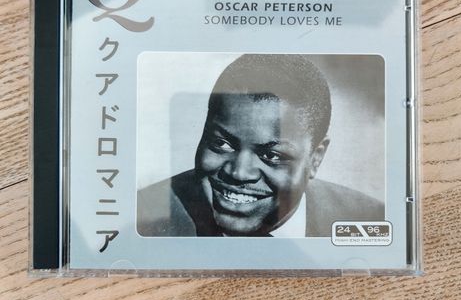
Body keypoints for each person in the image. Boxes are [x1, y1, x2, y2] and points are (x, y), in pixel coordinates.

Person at [137, 54, 383, 237]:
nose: (239, 172)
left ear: (315, 159)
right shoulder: (142, 220)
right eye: (221, 143)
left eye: (273, 155)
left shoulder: (370, 219)